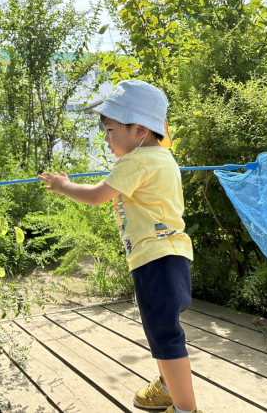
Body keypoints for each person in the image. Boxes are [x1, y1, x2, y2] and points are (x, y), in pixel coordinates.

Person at [38, 80, 202, 413]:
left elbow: (98, 196)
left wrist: (63, 185)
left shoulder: (137, 161)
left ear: (140, 129)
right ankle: (169, 387)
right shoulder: (162, 157)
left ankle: (186, 408)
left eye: (111, 130)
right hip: (170, 256)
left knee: (166, 337)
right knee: (161, 331)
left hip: (156, 259)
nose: (107, 138)